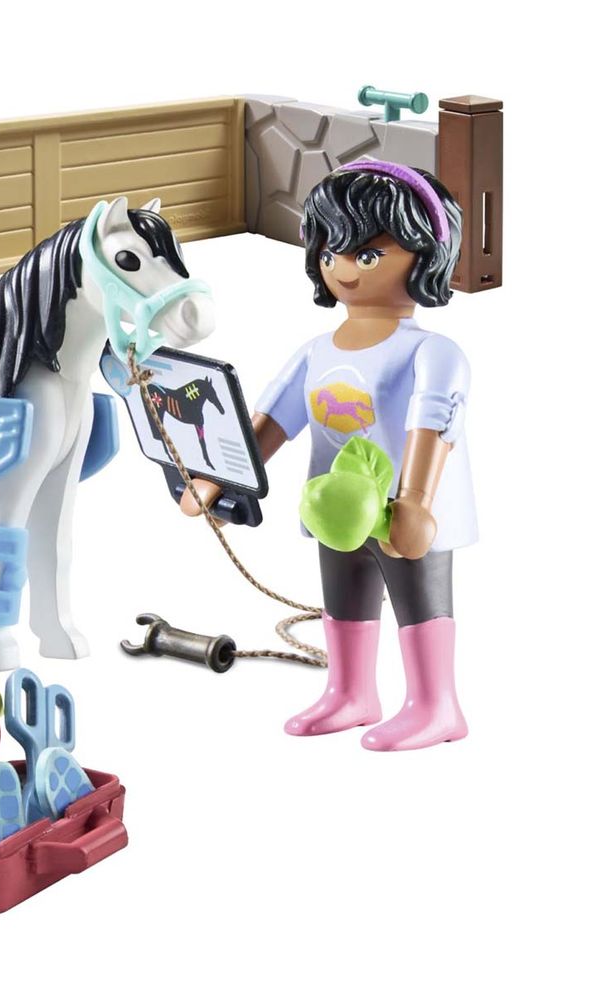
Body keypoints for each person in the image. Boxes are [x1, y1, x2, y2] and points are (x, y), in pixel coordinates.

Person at [182, 159, 475, 751]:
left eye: (367, 255)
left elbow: (432, 425)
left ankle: (436, 705)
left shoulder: (432, 352)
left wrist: (415, 502)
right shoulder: (317, 350)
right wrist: (221, 479)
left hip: (400, 513)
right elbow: (270, 422)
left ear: (425, 255)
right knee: (343, 598)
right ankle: (350, 692)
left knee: (420, 603)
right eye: (330, 251)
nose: (342, 268)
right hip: (333, 507)